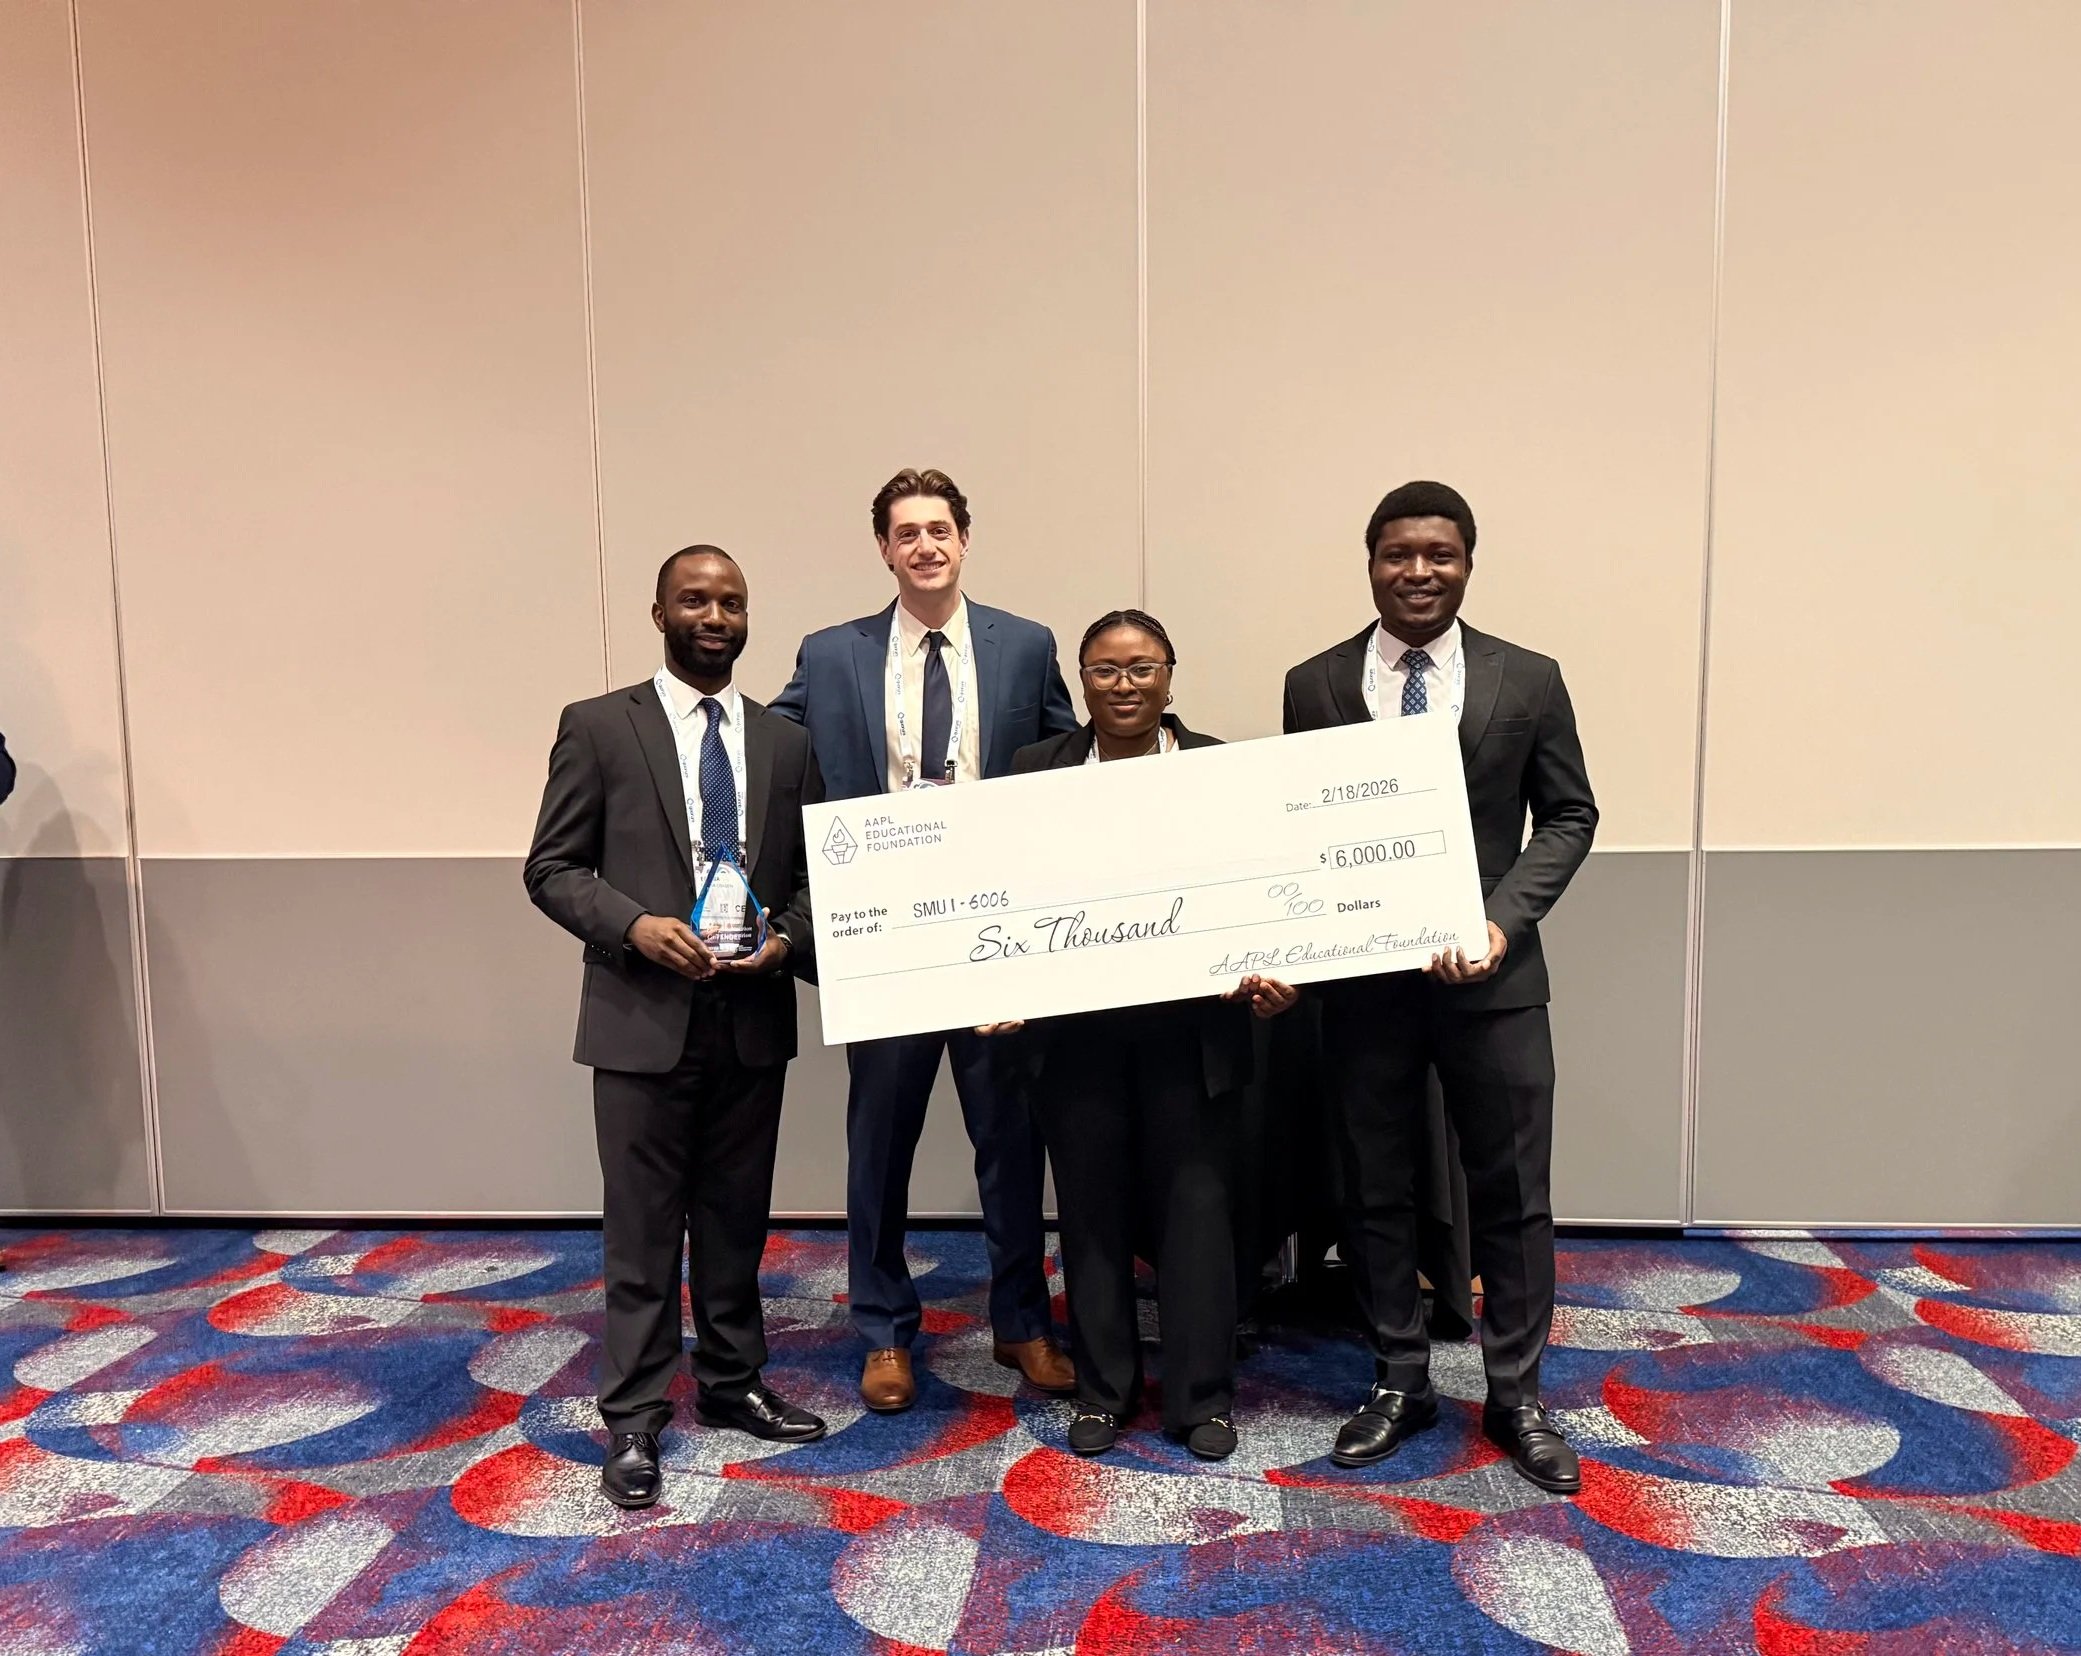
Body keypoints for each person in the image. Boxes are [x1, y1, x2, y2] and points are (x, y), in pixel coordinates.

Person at [1283, 481, 1596, 1494]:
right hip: (1365, 988)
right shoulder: (1313, 684)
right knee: (1374, 1186)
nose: (1417, 572)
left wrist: (1501, 920)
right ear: (1369, 562)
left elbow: (1568, 815)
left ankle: (1516, 1396)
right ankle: (1398, 1379)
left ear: (1466, 563)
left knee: (1512, 1193)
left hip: (1492, 983)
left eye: (1439, 555)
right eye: (1397, 554)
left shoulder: (1528, 678)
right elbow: (1303, 825)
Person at [770, 467, 1080, 1413]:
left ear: (964, 539)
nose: (925, 546)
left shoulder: (1024, 645)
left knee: (1010, 1141)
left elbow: (1070, 761)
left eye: (939, 529)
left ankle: (1021, 1323)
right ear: (883, 549)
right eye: (905, 533)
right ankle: (882, 1332)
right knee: (879, 1143)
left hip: (993, 932)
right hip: (887, 936)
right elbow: (772, 758)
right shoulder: (832, 654)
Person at [525, 545, 828, 1511]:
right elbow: (552, 868)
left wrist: (785, 941)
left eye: (731, 602)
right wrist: (635, 928)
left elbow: (814, 880)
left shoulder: (786, 743)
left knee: (737, 1219)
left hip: (750, 1018)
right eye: (694, 600)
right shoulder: (597, 726)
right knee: (643, 1229)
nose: (714, 616)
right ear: (659, 613)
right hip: (640, 1017)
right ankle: (635, 1415)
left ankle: (734, 1381)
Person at [1000, 610, 1295, 1461]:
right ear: (1080, 680)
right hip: (1075, 1037)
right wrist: (996, 985)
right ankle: (1104, 1391)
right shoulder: (1034, 772)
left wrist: (1274, 972)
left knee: (1195, 1215)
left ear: (1169, 676)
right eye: (1104, 669)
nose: (1123, 684)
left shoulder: (1218, 768)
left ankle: (1202, 1398)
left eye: (1141, 668)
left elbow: (1261, 888)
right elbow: (1007, 895)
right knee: (1090, 1215)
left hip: (1192, 1038)